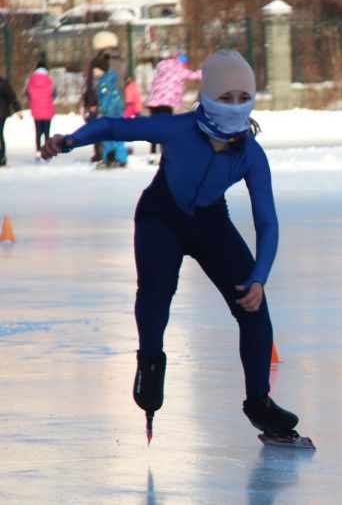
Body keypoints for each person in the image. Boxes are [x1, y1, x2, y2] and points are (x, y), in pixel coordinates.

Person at [40, 49, 310, 446]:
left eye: (243, 98)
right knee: (156, 293)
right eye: (225, 97)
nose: (235, 106)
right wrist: (69, 142)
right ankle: (150, 362)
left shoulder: (251, 154)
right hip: (159, 217)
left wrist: (259, 277)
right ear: (207, 97)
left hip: (210, 223)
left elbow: (267, 221)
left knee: (253, 305)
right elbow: (115, 126)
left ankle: (259, 403)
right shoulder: (178, 128)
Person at [145, 53, 202, 164]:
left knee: (155, 128)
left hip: (153, 102)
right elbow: (194, 75)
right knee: (166, 129)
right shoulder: (179, 70)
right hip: (166, 103)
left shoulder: (163, 69)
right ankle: (166, 153)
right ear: (183, 64)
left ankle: (152, 154)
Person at [92, 55, 127, 167]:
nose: (94, 72)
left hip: (113, 113)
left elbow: (107, 99)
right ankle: (108, 158)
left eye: (96, 69)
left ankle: (121, 159)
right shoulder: (103, 81)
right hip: (108, 113)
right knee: (107, 137)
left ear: (102, 69)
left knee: (116, 137)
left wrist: (102, 109)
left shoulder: (106, 82)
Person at [25, 60, 56, 160]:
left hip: (36, 111)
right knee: (47, 132)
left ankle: (38, 151)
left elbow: (28, 95)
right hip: (48, 111)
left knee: (38, 132)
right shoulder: (49, 80)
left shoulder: (31, 81)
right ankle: (47, 151)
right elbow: (54, 95)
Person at [0, 73, 21, 167]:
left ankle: (2, 156)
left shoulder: (3, 83)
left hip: (1, 113)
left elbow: (11, 96)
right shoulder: (4, 83)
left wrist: (17, 110)